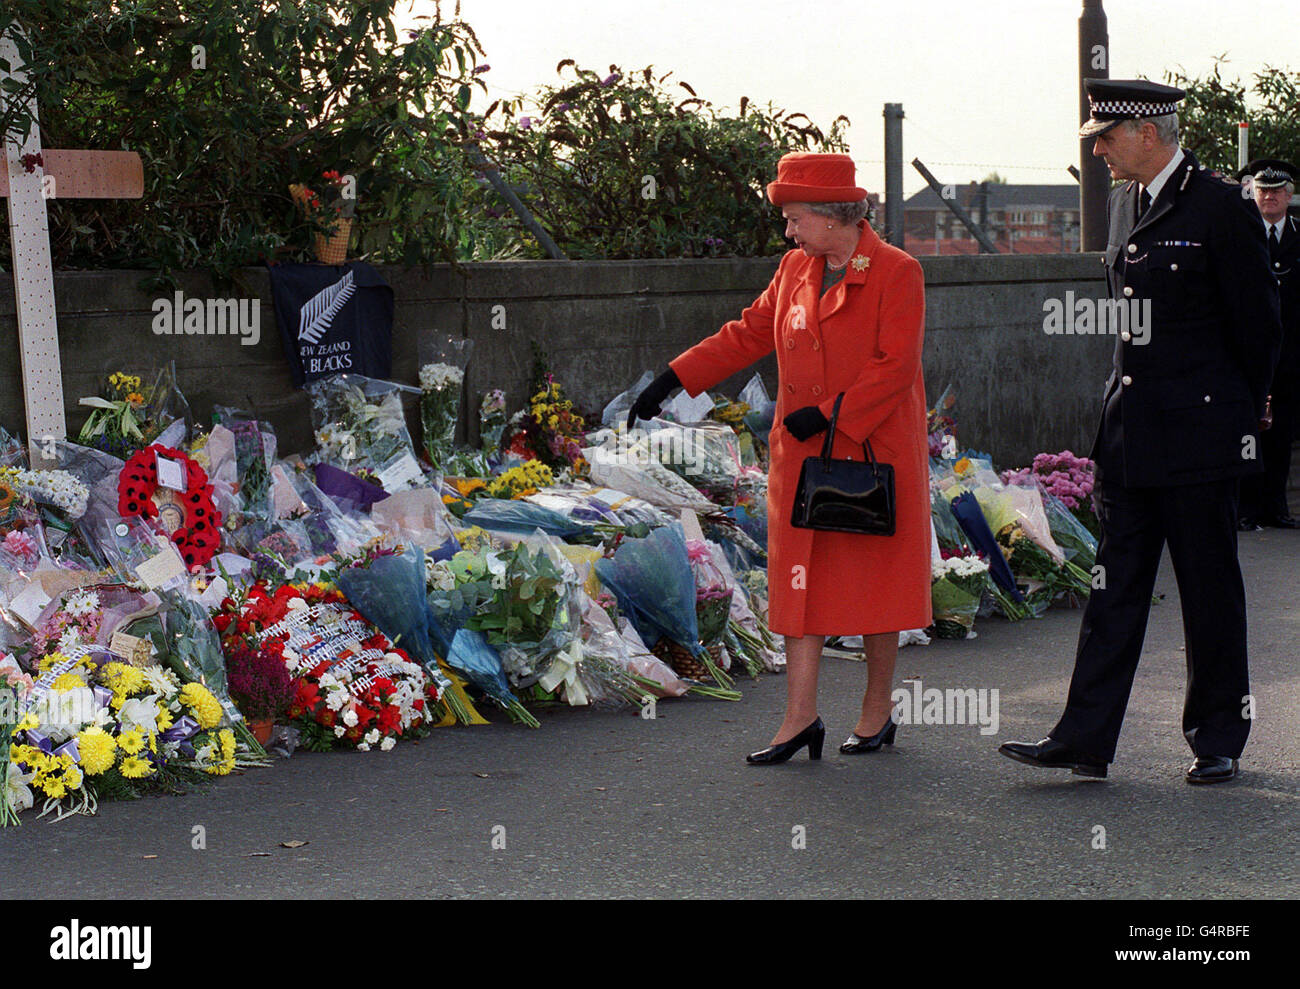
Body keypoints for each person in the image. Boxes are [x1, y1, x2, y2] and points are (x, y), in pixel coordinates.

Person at [999, 80, 1282, 785]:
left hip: (1198, 436)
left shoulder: (1220, 205)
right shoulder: (1126, 201)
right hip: (1129, 435)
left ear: (1148, 132)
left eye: (1107, 137)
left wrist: (1245, 411)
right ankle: (1084, 737)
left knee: (1208, 588)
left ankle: (1218, 736)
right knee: (1111, 587)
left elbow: (1259, 322)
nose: (1098, 150)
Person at [627, 152, 931, 765]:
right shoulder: (795, 269)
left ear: (830, 216)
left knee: (875, 586)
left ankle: (877, 711)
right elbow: (746, 332)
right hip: (801, 456)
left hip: (872, 454)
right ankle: (800, 717)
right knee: (801, 585)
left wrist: (833, 414)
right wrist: (673, 379)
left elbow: (895, 365)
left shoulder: (898, 272)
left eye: (795, 218)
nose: (788, 231)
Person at [1237, 159, 1300, 530]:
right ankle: (1246, 508)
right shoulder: (1240, 233)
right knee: (1247, 432)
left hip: (1291, 357)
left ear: (1289, 196)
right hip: (1249, 353)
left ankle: (1276, 508)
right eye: (1263, 191)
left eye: (1277, 191)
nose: (1269, 197)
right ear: (1253, 193)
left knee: (1282, 434)